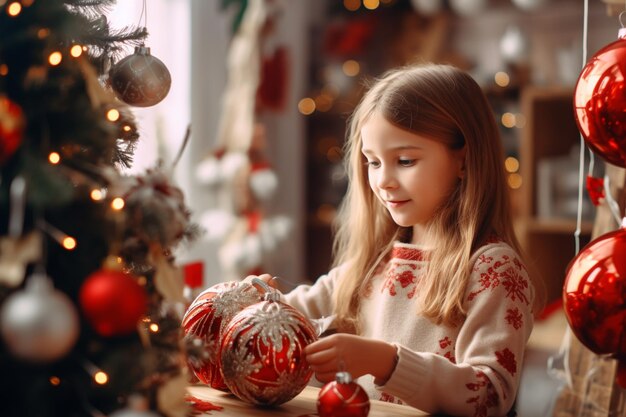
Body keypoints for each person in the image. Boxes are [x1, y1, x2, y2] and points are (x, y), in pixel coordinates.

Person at [247, 63, 544, 416]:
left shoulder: (493, 269)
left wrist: (385, 361)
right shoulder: (376, 261)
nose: (383, 181)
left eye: (404, 160)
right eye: (373, 162)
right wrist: (257, 305)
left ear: (464, 161)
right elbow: (302, 308)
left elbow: (489, 396)